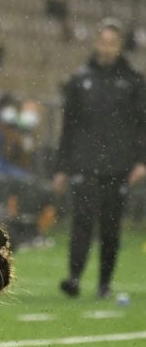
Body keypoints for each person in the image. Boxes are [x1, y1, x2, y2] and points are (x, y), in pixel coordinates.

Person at [54, 18, 146, 298]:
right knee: (81, 222)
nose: (106, 48)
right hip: (84, 163)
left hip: (118, 165)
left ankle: (104, 284)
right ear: (96, 43)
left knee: (110, 227)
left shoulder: (133, 81)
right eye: (102, 42)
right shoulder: (80, 80)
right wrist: (62, 167)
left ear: (119, 46)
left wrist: (141, 161)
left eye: (112, 43)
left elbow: (142, 124)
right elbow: (68, 126)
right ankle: (74, 278)